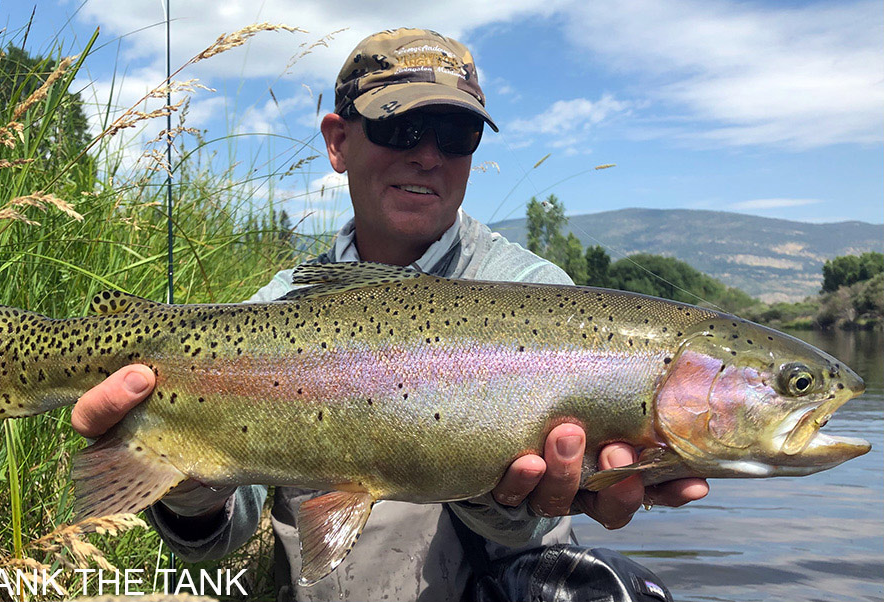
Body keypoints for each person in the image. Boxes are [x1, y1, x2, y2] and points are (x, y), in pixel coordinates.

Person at [71, 28, 708, 601]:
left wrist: (520, 503)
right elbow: (218, 538)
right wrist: (183, 483)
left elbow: (543, 517)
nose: (428, 155)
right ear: (338, 141)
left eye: (455, 136)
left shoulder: (540, 296)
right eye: (399, 125)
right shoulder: (278, 306)